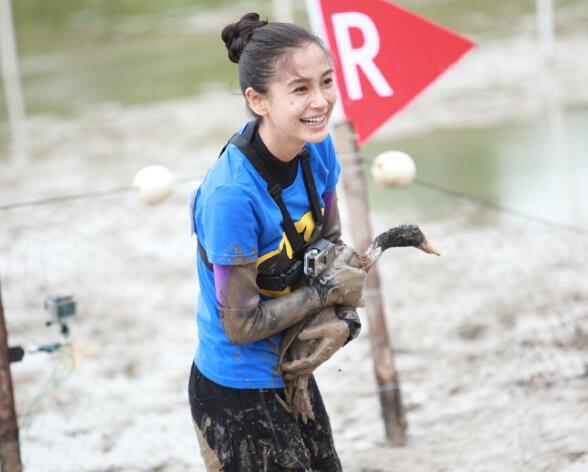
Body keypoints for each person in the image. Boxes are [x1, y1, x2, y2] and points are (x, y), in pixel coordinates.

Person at [188, 12, 365, 471]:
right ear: (258, 100)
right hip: (235, 389)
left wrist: (339, 317)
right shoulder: (231, 197)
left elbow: (329, 243)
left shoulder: (318, 147)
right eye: (300, 89)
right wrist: (322, 295)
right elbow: (240, 327)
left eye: (326, 82)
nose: (321, 101)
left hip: (288, 366)